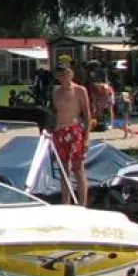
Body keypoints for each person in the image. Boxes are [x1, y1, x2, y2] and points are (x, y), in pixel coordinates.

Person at [50, 64, 93, 205]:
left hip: (74, 130)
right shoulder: (56, 91)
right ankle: (65, 203)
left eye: (64, 74)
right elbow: (55, 113)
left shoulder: (80, 90)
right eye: (59, 75)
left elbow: (87, 115)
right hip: (60, 131)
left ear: (70, 74)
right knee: (64, 170)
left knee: (77, 168)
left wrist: (87, 137)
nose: (62, 78)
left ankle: (82, 204)